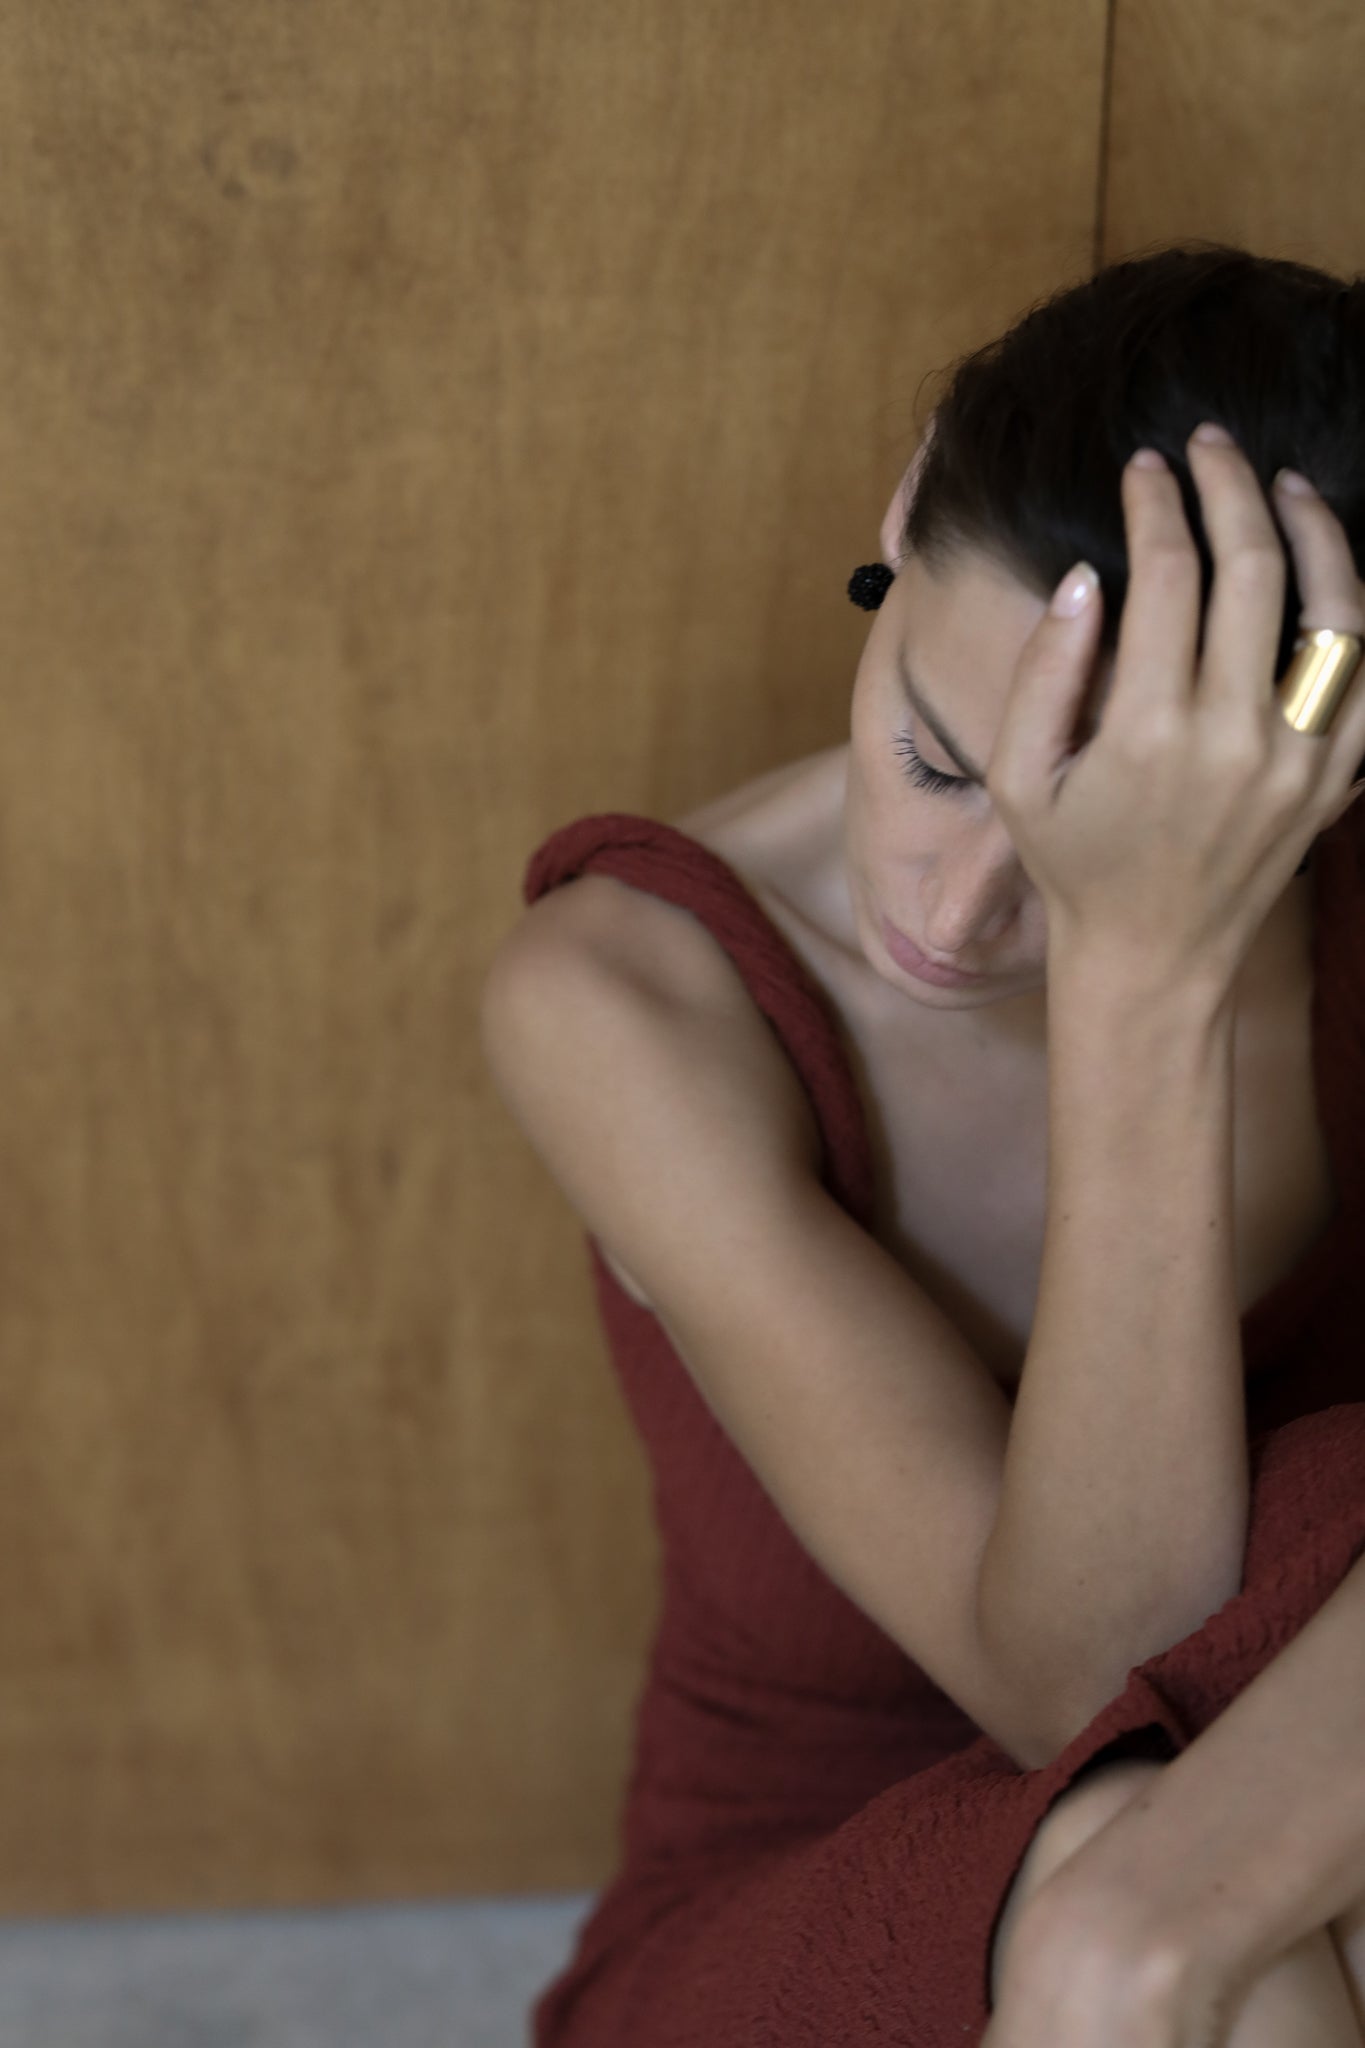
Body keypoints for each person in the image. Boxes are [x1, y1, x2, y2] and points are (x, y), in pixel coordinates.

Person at [481, 240, 1365, 2045]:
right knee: (1183, 1881)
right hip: (806, 1921)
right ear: (902, 511)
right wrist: (1140, 980)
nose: (952, 919)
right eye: (940, 757)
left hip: (1265, 1815)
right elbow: (1084, 1686)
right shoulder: (631, 998)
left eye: (1073, 850)